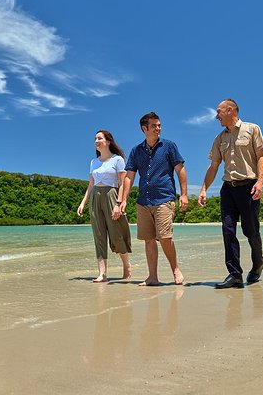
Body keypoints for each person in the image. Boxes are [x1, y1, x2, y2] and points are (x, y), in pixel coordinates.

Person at [198, 99, 263, 289]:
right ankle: (235, 274)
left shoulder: (252, 129)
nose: (216, 116)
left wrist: (260, 182)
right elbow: (213, 166)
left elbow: (261, 157)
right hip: (228, 188)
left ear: (230, 110)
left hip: (249, 187)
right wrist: (204, 189)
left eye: (219, 112)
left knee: (250, 231)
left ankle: (258, 262)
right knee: (228, 231)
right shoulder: (219, 138)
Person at [120, 112, 188, 286]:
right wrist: (124, 199)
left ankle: (175, 270)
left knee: (165, 238)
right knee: (149, 240)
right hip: (143, 201)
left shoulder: (169, 146)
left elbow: (180, 170)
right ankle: (152, 277)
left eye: (159, 125)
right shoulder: (136, 151)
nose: (158, 128)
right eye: (154, 126)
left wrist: (184, 194)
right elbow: (129, 177)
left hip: (164, 198)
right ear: (144, 129)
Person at [77, 130, 132, 282]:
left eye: (99, 138)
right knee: (99, 235)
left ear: (108, 141)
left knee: (116, 234)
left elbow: (122, 183)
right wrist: (83, 203)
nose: (96, 141)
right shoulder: (93, 162)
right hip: (95, 196)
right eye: (95, 138)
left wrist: (119, 203)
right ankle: (102, 273)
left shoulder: (117, 159)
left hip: (111, 196)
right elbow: (90, 184)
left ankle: (126, 267)